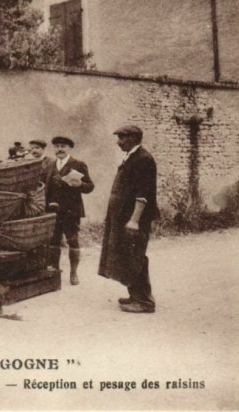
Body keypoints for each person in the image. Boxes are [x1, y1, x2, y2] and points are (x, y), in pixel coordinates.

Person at [98, 125, 158, 313]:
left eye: (122, 138)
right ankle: (135, 295)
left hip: (134, 219)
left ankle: (144, 301)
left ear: (133, 138)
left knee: (135, 256)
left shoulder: (143, 159)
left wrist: (134, 220)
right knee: (127, 255)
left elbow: (143, 194)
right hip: (124, 218)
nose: (118, 142)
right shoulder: (132, 157)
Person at [45, 136, 94, 285]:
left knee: (72, 241)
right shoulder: (49, 165)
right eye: (57, 146)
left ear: (69, 148)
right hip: (52, 210)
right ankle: (55, 272)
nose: (59, 149)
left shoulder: (78, 164)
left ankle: (73, 273)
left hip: (71, 211)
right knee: (53, 241)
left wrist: (80, 185)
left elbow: (90, 186)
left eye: (63, 146)